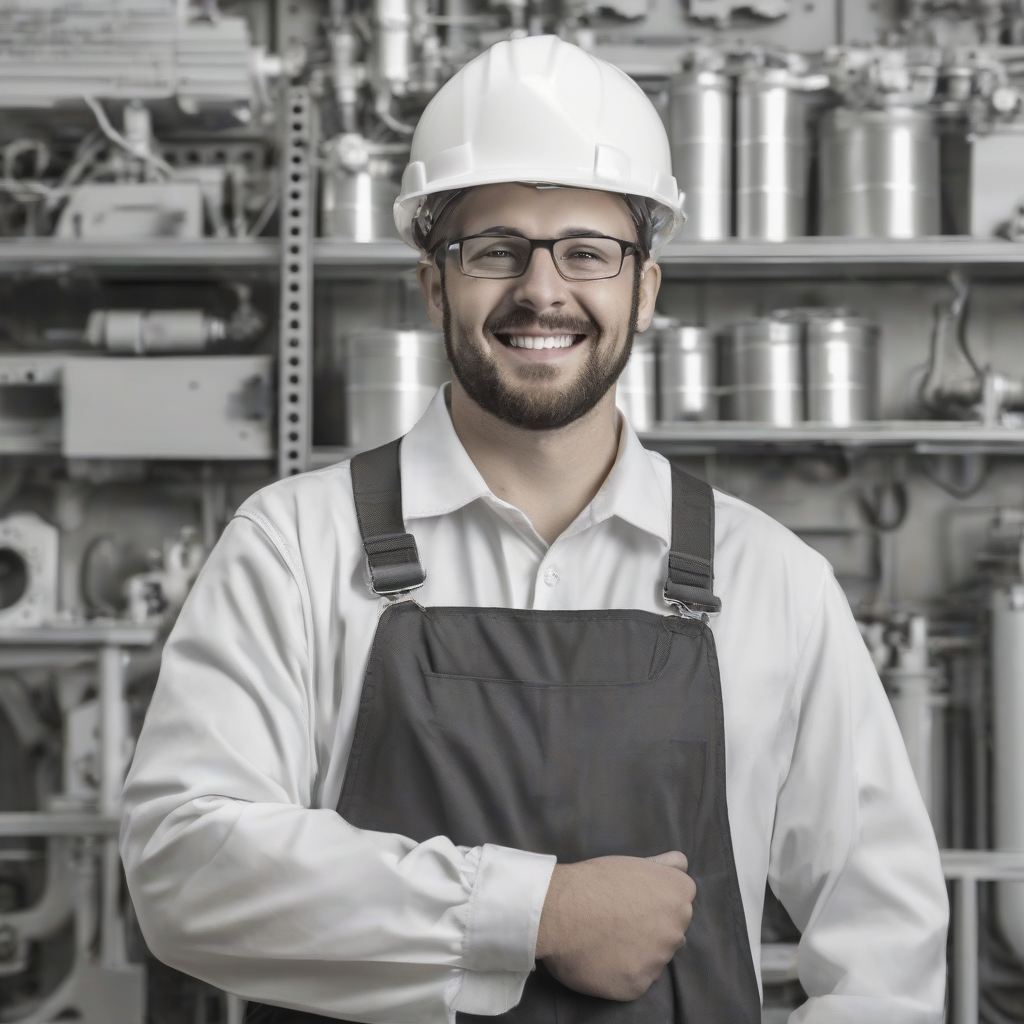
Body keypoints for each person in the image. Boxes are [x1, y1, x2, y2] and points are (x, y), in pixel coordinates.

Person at [121, 35, 949, 1024]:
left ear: (644, 290)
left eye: (588, 252)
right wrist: (532, 910)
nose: (542, 291)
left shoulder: (768, 577)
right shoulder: (294, 546)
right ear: (434, 283)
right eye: (496, 249)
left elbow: (886, 951)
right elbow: (185, 867)